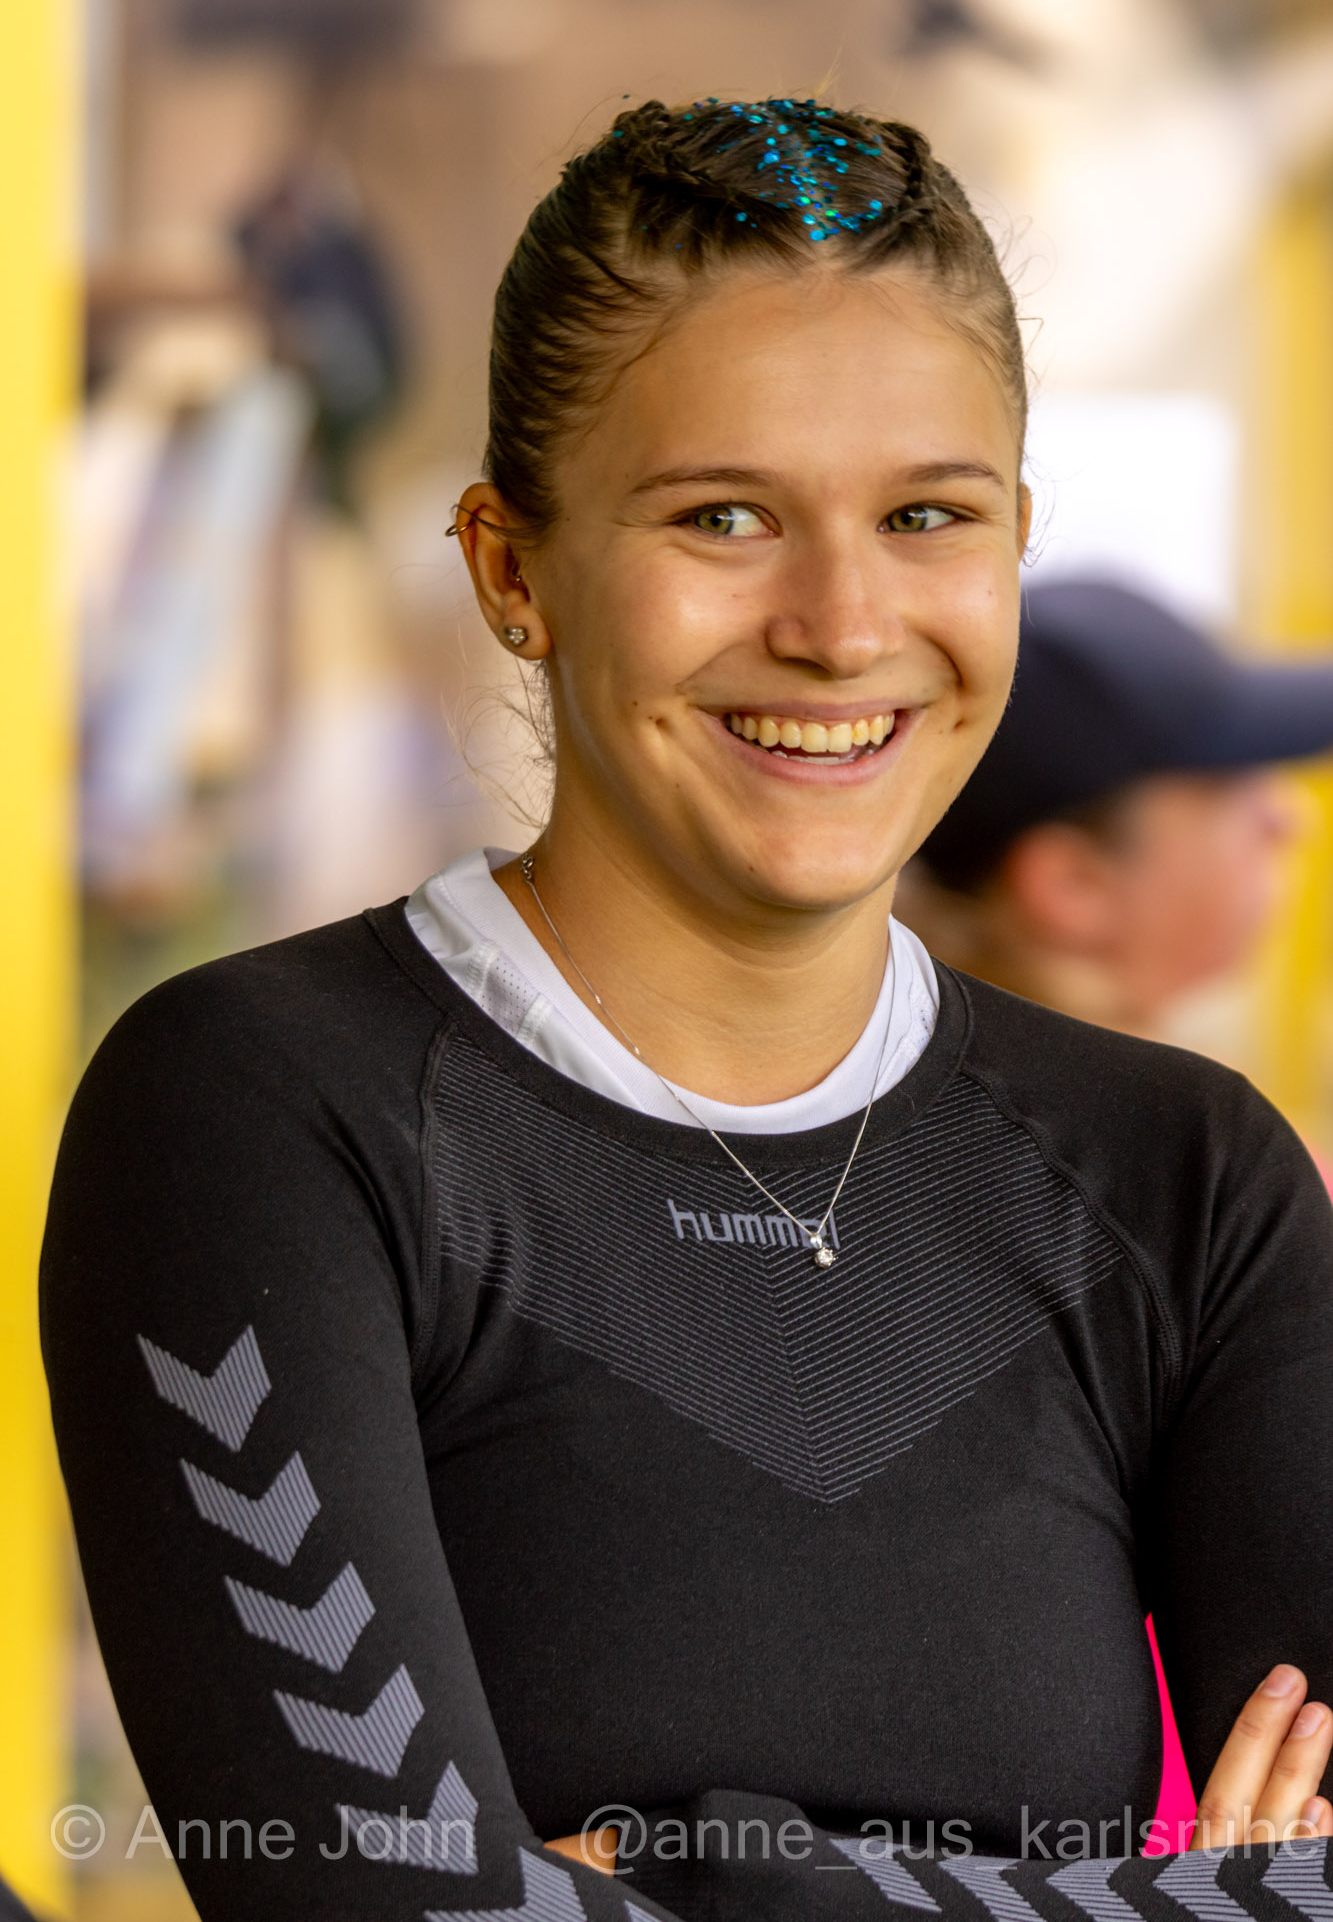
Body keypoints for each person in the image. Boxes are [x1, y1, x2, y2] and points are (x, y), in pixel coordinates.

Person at [39, 99, 1333, 1922]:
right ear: (509, 567)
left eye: (927, 516)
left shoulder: (1182, 1180)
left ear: (1014, 544)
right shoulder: (267, 1111)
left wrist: (690, 1870)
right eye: (722, 516)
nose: (840, 623)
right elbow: (381, 1905)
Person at [899, 578, 1333, 1037]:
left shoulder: (928, 1044)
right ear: (1075, 885)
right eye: (1226, 784)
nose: (1291, 819)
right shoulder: (1080, 1080)